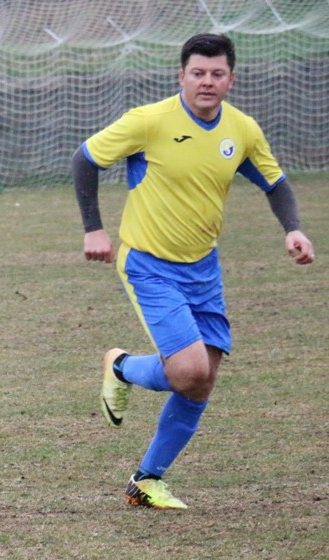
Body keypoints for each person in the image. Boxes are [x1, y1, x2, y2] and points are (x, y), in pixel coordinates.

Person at [73, 33, 315, 509]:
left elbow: (276, 183)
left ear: (231, 79)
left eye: (217, 73)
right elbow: (86, 159)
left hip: (203, 267)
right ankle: (121, 366)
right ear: (181, 75)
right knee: (188, 371)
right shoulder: (149, 122)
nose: (207, 82)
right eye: (198, 73)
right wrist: (93, 229)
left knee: (203, 380)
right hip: (148, 263)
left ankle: (147, 480)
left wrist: (294, 229)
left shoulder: (242, 130)